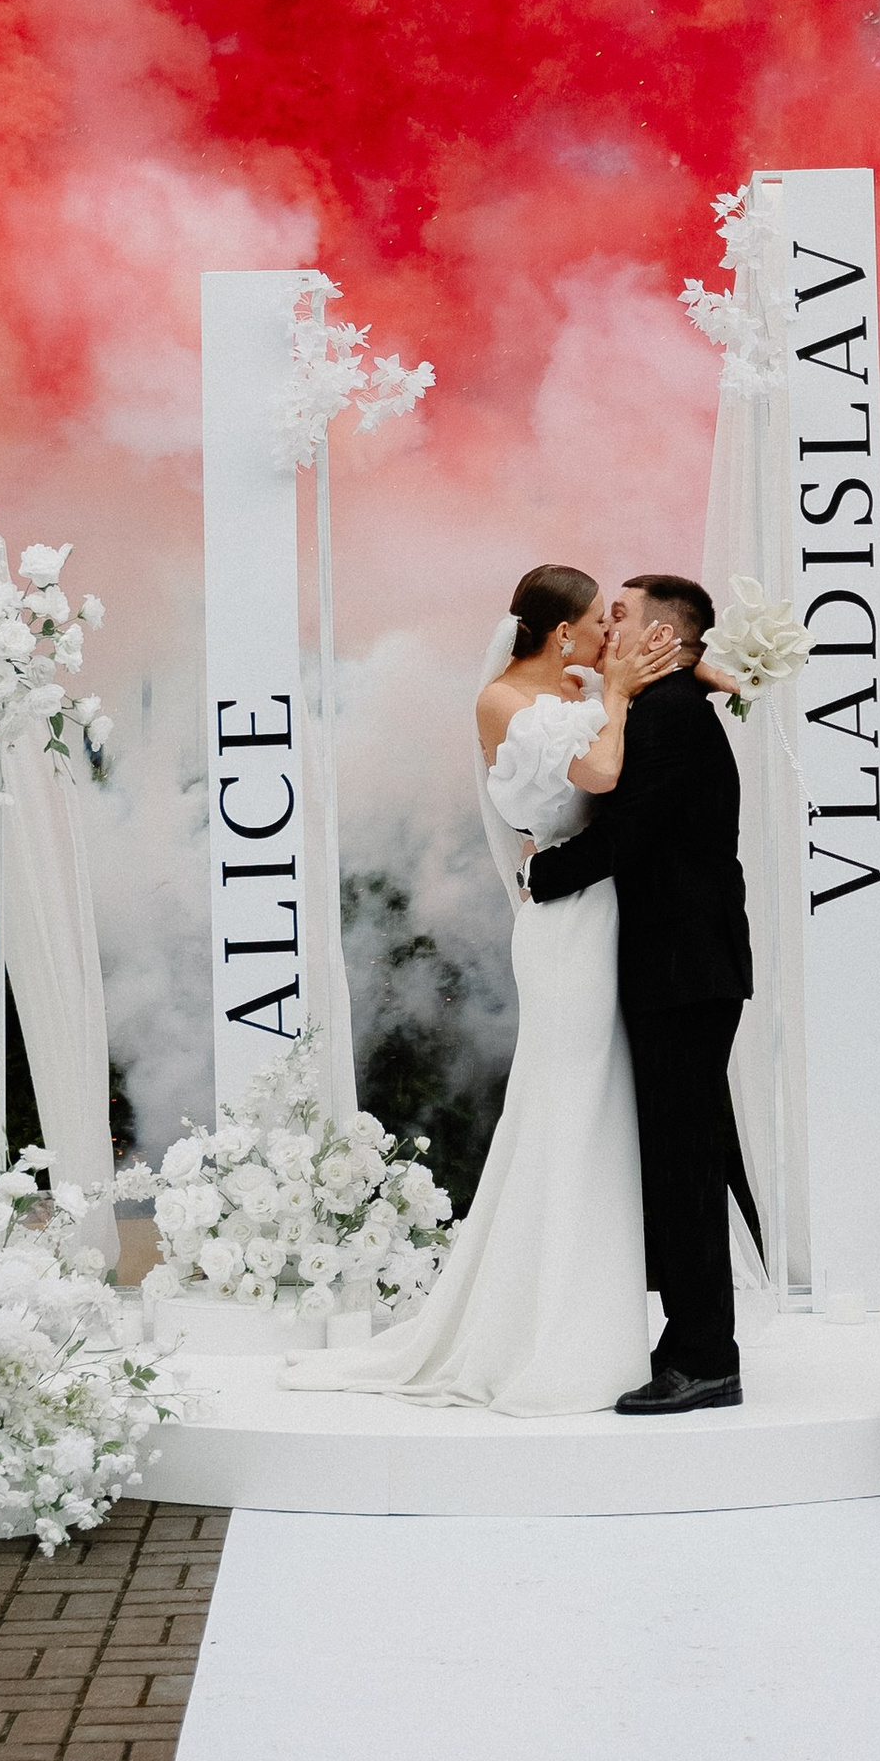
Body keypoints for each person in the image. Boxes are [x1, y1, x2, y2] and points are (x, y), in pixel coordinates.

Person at [288, 564, 686, 1415]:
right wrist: (615, 695)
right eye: (596, 622)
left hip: (610, 909)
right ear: (562, 634)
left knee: (607, 1103)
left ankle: (599, 1313)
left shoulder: (582, 684)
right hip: (566, 925)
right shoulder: (504, 701)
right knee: (568, 1102)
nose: (610, 634)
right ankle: (546, 1330)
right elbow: (602, 777)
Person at [529, 569, 755, 1415]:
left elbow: (624, 835)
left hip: (683, 973)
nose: (608, 626)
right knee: (681, 1158)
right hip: (684, 969)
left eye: (621, 616)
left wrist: (536, 874)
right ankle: (696, 1347)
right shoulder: (669, 707)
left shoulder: (670, 721)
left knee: (685, 1164)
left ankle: (704, 1359)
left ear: (662, 638)